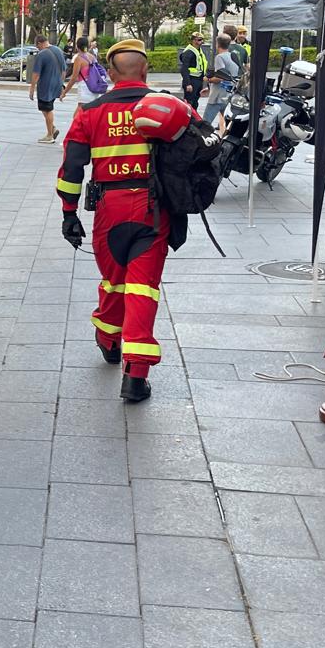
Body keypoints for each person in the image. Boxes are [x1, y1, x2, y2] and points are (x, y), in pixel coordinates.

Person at [56, 40, 190, 403]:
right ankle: (135, 375)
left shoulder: (90, 112)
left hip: (108, 210)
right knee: (143, 287)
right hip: (152, 209)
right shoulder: (169, 105)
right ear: (145, 70)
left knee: (115, 281)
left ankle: (109, 338)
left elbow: (71, 167)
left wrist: (69, 213)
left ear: (111, 74)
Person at [28, 33, 67, 144]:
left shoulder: (42, 54)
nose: (37, 48)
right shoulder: (58, 50)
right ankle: (52, 129)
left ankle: (50, 135)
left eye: (37, 46)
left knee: (47, 109)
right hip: (56, 84)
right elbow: (64, 70)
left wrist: (32, 89)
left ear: (40, 43)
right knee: (45, 108)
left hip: (46, 86)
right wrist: (61, 84)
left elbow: (36, 74)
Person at [201, 33, 241, 131]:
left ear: (217, 44)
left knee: (205, 123)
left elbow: (220, 76)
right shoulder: (232, 56)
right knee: (228, 124)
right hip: (229, 93)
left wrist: (208, 79)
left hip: (217, 96)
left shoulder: (220, 57)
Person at [61, 36, 100, 105]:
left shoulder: (78, 59)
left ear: (77, 46)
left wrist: (64, 92)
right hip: (94, 87)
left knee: (80, 112)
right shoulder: (92, 57)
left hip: (84, 88)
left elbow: (73, 78)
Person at [178, 31, 207, 111]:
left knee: (195, 102)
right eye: (199, 40)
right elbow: (184, 69)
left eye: (201, 40)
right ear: (194, 40)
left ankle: (193, 121)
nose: (201, 42)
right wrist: (188, 84)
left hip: (198, 80)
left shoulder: (199, 50)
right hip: (191, 80)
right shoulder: (188, 52)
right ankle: (188, 121)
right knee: (189, 103)